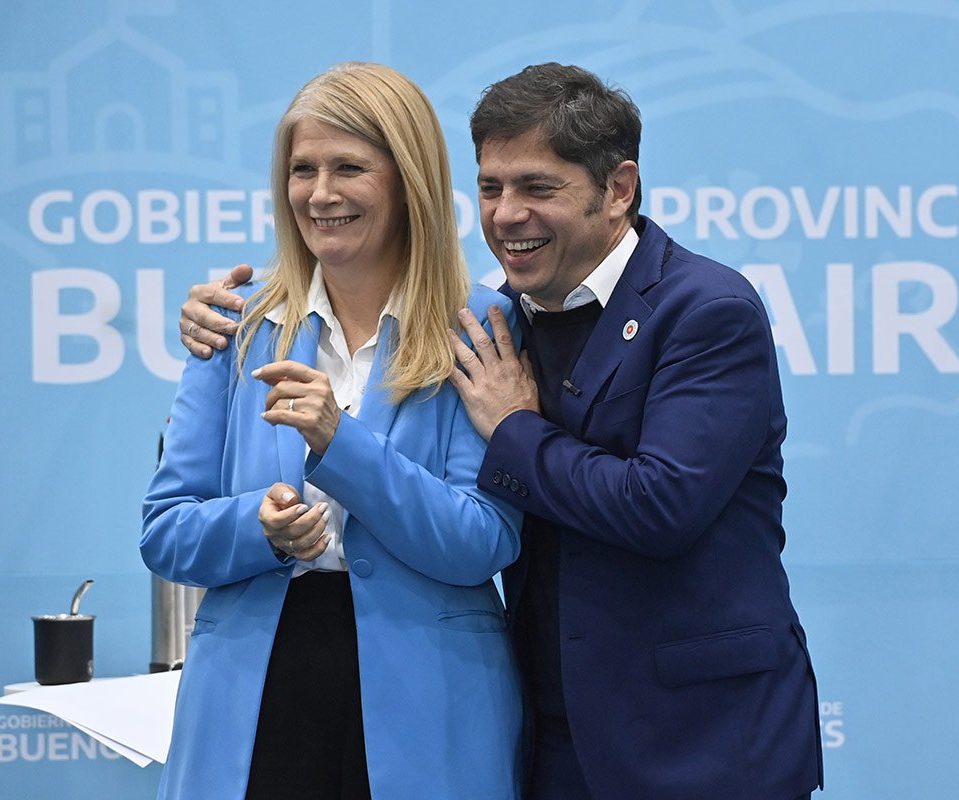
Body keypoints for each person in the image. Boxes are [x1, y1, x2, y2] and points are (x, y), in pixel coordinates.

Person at [180, 63, 822, 800]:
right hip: (552, 738)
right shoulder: (496, 317)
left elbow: (659, 507)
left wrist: (514, 428)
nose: (507, 214)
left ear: (618, 189)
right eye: (491, 188)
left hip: (700, 740)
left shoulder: (706, 309)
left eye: (537, 188)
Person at [142, 62, 524, 800]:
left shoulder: (482, 324)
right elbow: (165, 531)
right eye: (302, 169)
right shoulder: (235, 322)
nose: (320, 194)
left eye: (349, 168)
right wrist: (259, 528)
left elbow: (483, 540)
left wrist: (340, 443)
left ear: (408, 181)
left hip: (431, 701)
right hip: (256, 693)